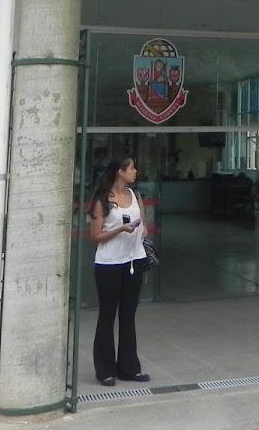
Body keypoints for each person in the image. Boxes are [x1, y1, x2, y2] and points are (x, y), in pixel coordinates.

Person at [88, 156, 150, 386]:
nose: (135, 171)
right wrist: (119, 229)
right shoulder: (102, 200)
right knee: (107, 315)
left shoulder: (135, 196)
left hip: (134, 261)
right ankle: (104, 369)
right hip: (109, 263)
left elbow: (143, 222)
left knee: (128, 315)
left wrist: (142, 230)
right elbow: (95, 237)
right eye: (132, 167)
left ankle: (129, 368)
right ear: (120, 172)